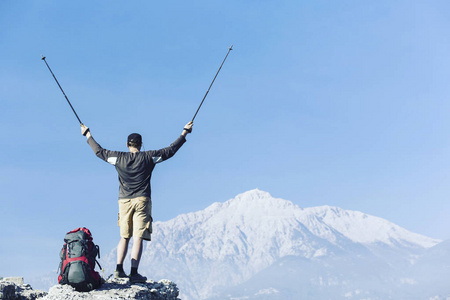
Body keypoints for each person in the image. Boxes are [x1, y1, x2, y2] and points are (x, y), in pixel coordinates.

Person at [81, 121, 193, 283]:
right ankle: (134, 273)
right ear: (141, 145)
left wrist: (88, 135)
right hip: (142, 200)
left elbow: (99, 151)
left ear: (127, 145)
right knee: (138, 236)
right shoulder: (149, 157)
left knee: (124, 236)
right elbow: (170, 151)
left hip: (124, 201)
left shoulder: (118, 158)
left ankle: (119, 269)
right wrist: (184, 133)